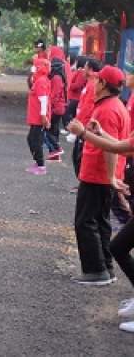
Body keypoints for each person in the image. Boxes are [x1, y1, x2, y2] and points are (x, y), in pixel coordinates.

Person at [67, 109, 134, 333]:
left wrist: (83, 132)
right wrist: (102, 132)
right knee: (118, 246)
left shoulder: (109, 107)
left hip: (100, 181)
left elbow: (117, 148)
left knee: (115, 243)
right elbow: (123, 144)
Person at [65, 66, 130, 285]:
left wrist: (110, 176)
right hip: (103, 174)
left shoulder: (107, 109)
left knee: (85, 221)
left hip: (98, 175)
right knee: (99, 221)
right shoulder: (112, 106)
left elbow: (112, 148)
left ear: (102, 83)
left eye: (96, 80)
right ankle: (105, 268)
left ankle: (95, 270)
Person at [25, 59, 51, 175]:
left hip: (39, 118)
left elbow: (43, 99)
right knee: (32, 139)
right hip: (37, 117)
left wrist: (43, 116)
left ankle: (41, 166)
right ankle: (38, 163)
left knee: (35, 141)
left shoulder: (41, 81)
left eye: (35, 66)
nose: (33, 68)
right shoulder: (39, 80)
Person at [44, 58, 67, 162]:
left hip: (56, 108)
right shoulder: (59, 77)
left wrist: (48, 106)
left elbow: (54, 95)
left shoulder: (56, 78)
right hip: (58, 107)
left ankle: (56, 149)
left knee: (46, 130)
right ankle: (54, 153)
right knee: (53, 130)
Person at [66, 57, 88, 126]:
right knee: (72, 114)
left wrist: (69, 84)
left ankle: (69, 128)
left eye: (76, 62)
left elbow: (78, 85)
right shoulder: (78, 71)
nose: (75, 63)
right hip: (73, 97)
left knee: (68, 113)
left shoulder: (81, 72)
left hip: (75, 97)